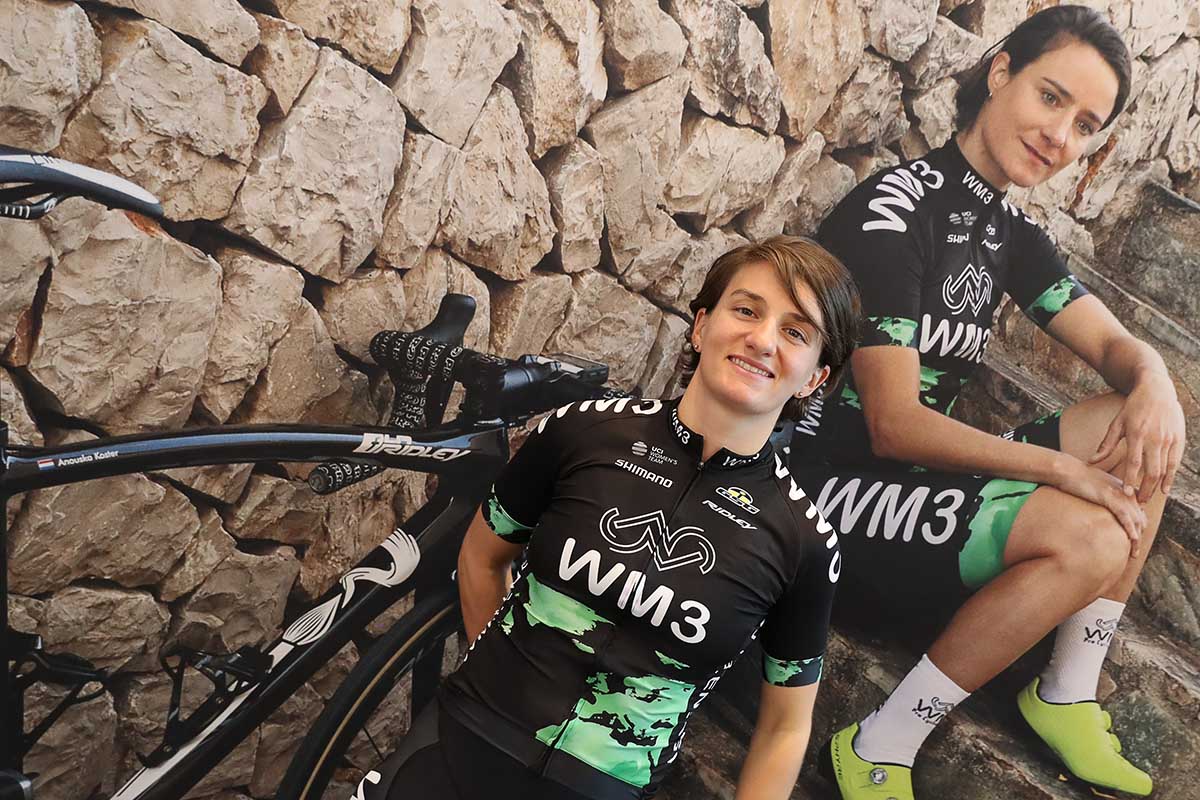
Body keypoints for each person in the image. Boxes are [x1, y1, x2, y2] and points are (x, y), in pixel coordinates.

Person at [790, 6, 1187, 799]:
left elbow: (1117, 349)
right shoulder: (896, 211)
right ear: (1000, 72)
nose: (1059, 136)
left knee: (1137, 423)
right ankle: (881, 744)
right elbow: (893, 426)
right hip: (821, 497)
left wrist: (1158, 384)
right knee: (1090, 538)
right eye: (1051, 97)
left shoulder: (1010, 233)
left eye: (1084, 125)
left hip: (913, 495)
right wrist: (1061, 472)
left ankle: (1067, 689)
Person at [357, 236, 862, 800]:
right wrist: (503, 688)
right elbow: (482, 555)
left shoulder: (803, 541)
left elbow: (785, 727)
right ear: (701, 326)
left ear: (814, 378)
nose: (762, 340)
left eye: (795, 332)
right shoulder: (583, 430)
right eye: (746, 310)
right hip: (458, 743)